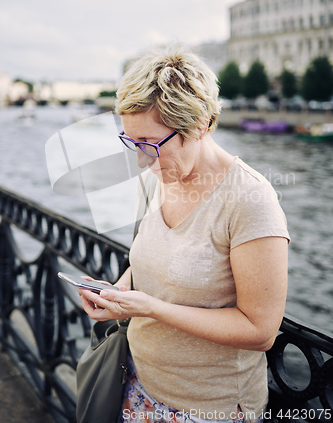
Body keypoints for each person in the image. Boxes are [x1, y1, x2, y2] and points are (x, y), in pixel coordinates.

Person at [78, 45, 289, 423]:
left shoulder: (250, 200)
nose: (142, 159)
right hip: (136, 384)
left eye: (151, 145)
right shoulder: (158, 175)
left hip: (209, 409)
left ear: (200, 125)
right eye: (133, 143)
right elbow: (148, 261)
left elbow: (260, 331)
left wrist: (150, 308)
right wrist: (119, 293)